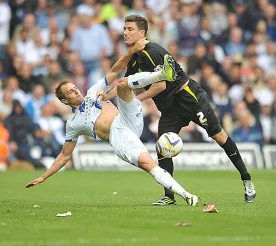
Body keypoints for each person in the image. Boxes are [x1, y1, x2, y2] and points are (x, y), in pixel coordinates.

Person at [25, 40, 200, 207]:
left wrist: (130, 52)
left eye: (74, 88)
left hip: (127, 117)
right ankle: (187, 195)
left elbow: (115, 71)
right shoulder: (72, 123)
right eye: (70, 92)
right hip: (119, 136)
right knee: (149, 164)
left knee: (123, 83)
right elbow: (64, 156)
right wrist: (44, 177)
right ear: (65, 101)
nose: (76, 91)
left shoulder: (92, 92)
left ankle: (162, 74)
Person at [106, 14, 256, 205]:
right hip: (170, 108)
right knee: (162, 147)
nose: (125, 33)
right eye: (124, 29)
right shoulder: (134, 58)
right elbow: (125, 84)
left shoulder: (153, 52)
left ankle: (246, 179)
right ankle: (169, 197)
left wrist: (136, 100)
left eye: (130, 29)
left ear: (141, 33)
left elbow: (159, 86)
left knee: (219, 136)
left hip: (189, 98)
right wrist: (106, 95)